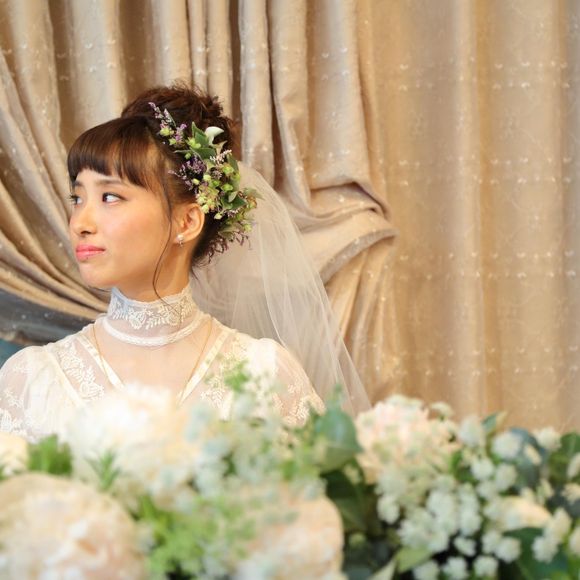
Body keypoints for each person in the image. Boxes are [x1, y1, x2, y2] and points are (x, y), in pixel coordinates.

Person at [0, 84, 369, 442]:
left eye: (110, 197)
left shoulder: (265, 376)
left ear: (187, 221)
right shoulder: (31, 380)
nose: (80, 223)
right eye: (77, 198)